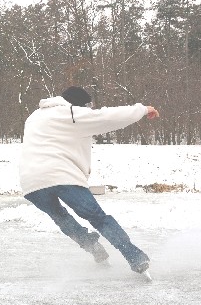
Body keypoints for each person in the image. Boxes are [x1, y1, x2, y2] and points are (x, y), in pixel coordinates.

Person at [19, 86, 159, 275]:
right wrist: (143, 109)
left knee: (60, 217)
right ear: (78, 104)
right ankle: (135, 257)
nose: (89, 110)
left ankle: (92, 246)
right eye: (87, 106)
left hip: (31, 183)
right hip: (62, 176)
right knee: (97, 218)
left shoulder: (34, 116)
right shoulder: (71, 113)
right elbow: (107, 116)